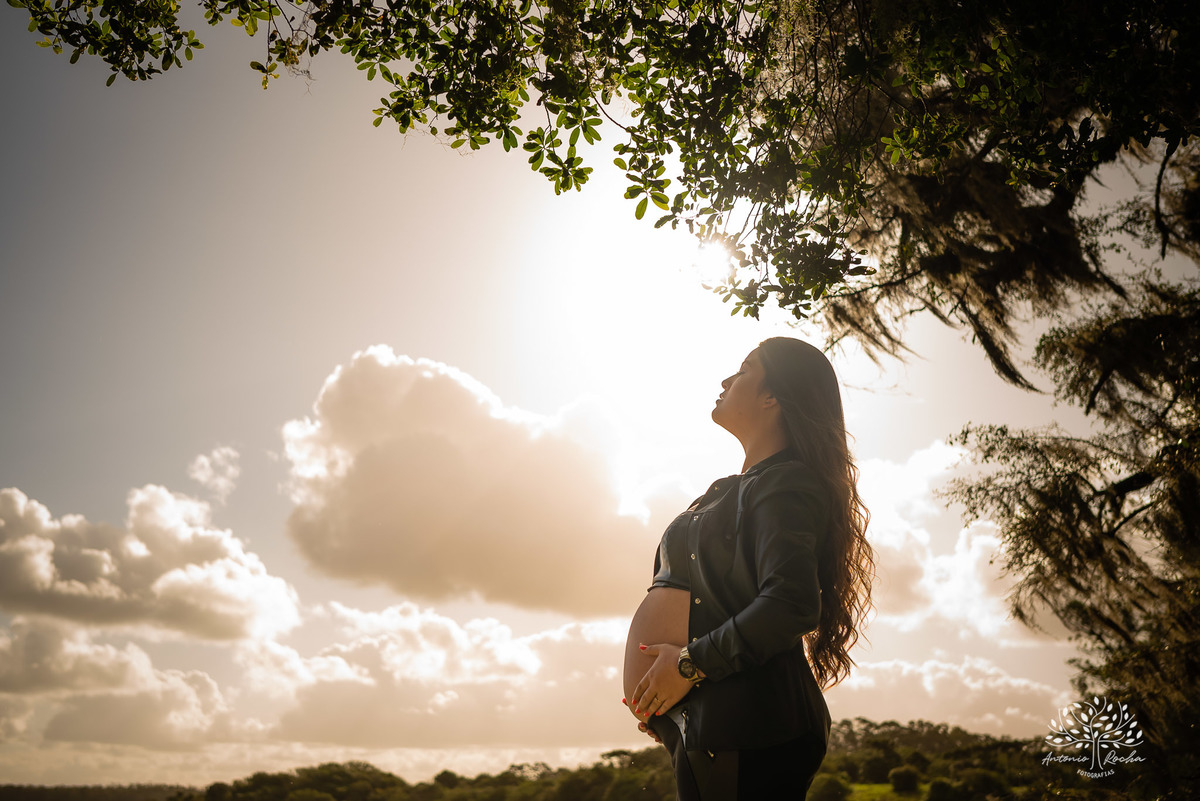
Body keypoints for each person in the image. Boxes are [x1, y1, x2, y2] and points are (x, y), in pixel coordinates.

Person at [621, 337, 873, 800]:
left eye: (742, 369)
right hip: (719, 725)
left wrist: (687, 666)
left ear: (772, 396)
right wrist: (670, 706)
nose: (725, 380)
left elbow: (791, 604)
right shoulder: (736, 488)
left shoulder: (787, 484)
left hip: (751, 729)